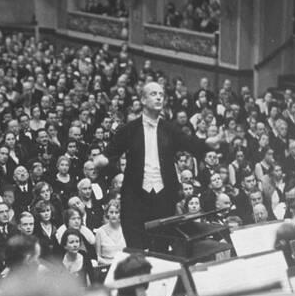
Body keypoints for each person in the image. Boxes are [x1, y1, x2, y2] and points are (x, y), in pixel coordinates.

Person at [94, 82, 220, 249]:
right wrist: (102, 159)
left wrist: (207, 143)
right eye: (154, 94)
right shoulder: (130, 129)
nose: (159, 97)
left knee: (161, 246)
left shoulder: (170, 129)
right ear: (143, 100)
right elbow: (112, 151)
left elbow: (190, 143)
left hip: (163, 196)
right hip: (136, 197)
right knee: (136, 247)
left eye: (161, 94)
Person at [95, 200, 126, 265]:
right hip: (107, 266)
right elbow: (98, 256)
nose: (114, 215)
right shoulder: (100, 232)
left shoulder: (126, 229)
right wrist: (109, 264)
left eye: (116, 212)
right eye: (111, 212)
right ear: (107, 213)